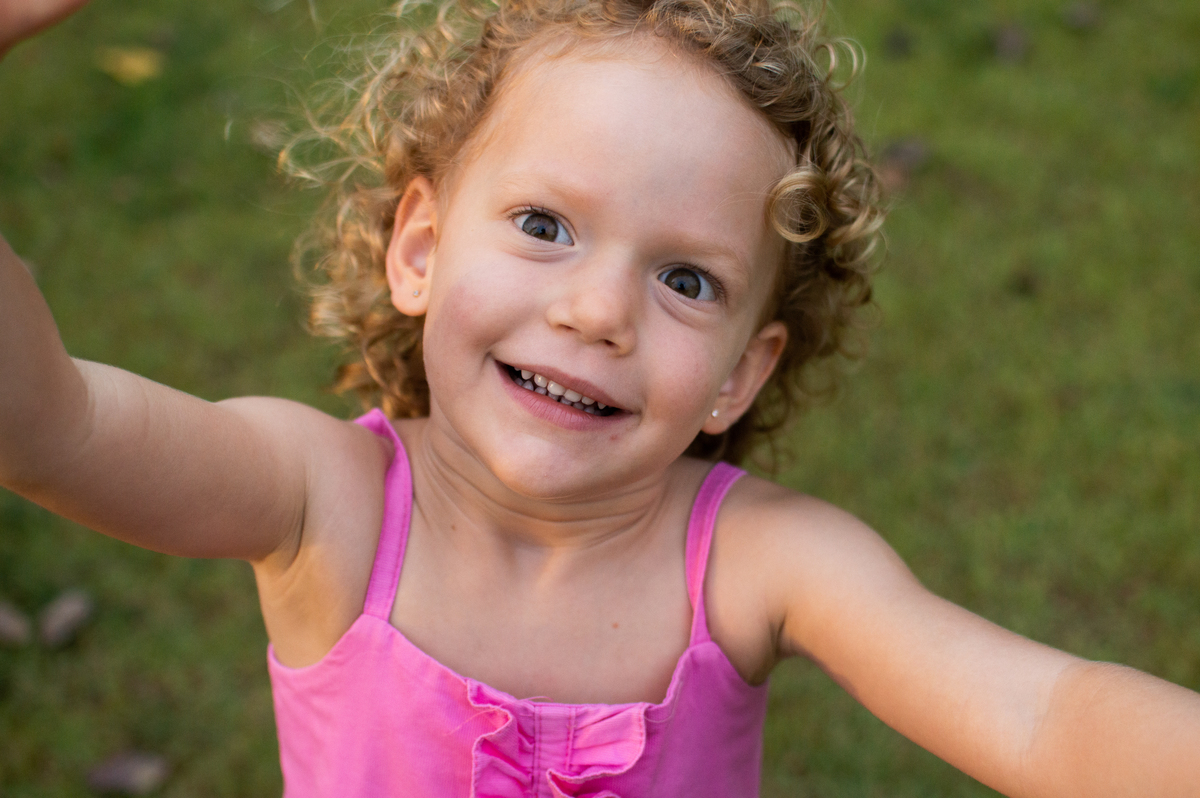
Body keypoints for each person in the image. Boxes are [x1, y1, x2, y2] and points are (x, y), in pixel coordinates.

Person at [2, 0, 1198, 795]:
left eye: (686, 279)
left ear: (740, 371)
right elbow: (53, 430)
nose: (597, 310)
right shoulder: (327, 502)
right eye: (544, 224)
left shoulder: (759, 564)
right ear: (420, 249)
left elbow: (1044, 717)